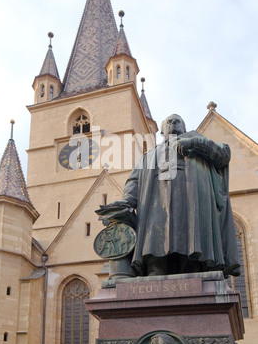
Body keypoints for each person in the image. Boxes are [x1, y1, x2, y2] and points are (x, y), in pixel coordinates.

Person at [97, 114, 240, 278]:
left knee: (190, 228)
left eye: (177, 121)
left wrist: (194, 143)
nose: (173, 123)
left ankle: (191, 267)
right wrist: (127, 200)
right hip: (155, 198)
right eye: (169, 121)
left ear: (184, 128)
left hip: (190, 195)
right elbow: (134, 180)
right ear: (162, 130)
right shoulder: (149, 155)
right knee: (154, 231)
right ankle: (155, 268)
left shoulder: (196, 142)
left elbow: (224, 154)